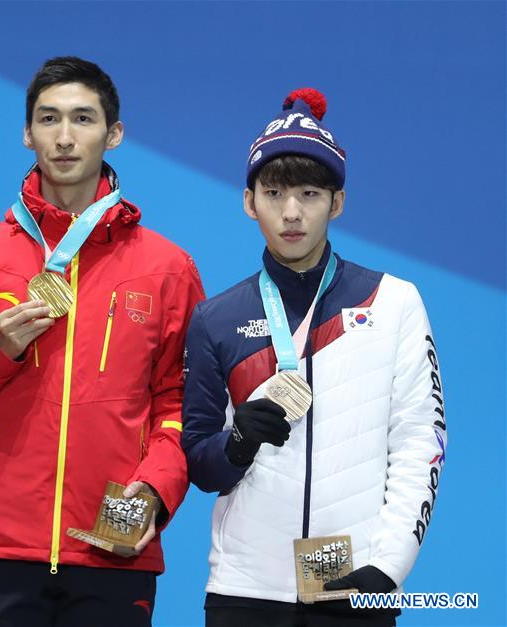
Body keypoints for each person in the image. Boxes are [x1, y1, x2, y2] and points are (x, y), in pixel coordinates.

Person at [0, 56, 204, 626]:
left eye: (83, 120)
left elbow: (181, 406)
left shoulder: (168, 268)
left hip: (113, 546)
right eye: (48, 120)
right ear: (27, 133)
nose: (65, 138)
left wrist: (156, 490)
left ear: (113, 134)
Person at [182, 88, 446, 627]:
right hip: (243, 593)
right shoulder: (216, 318)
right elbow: (200, 465)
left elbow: (422, 442)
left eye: (310, 192)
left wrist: (387, 568)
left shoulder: (393, 302)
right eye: (275, 193)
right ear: (248, 200)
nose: (292, 212)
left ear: (338, 202)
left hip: (356, 587)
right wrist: (237, 443)